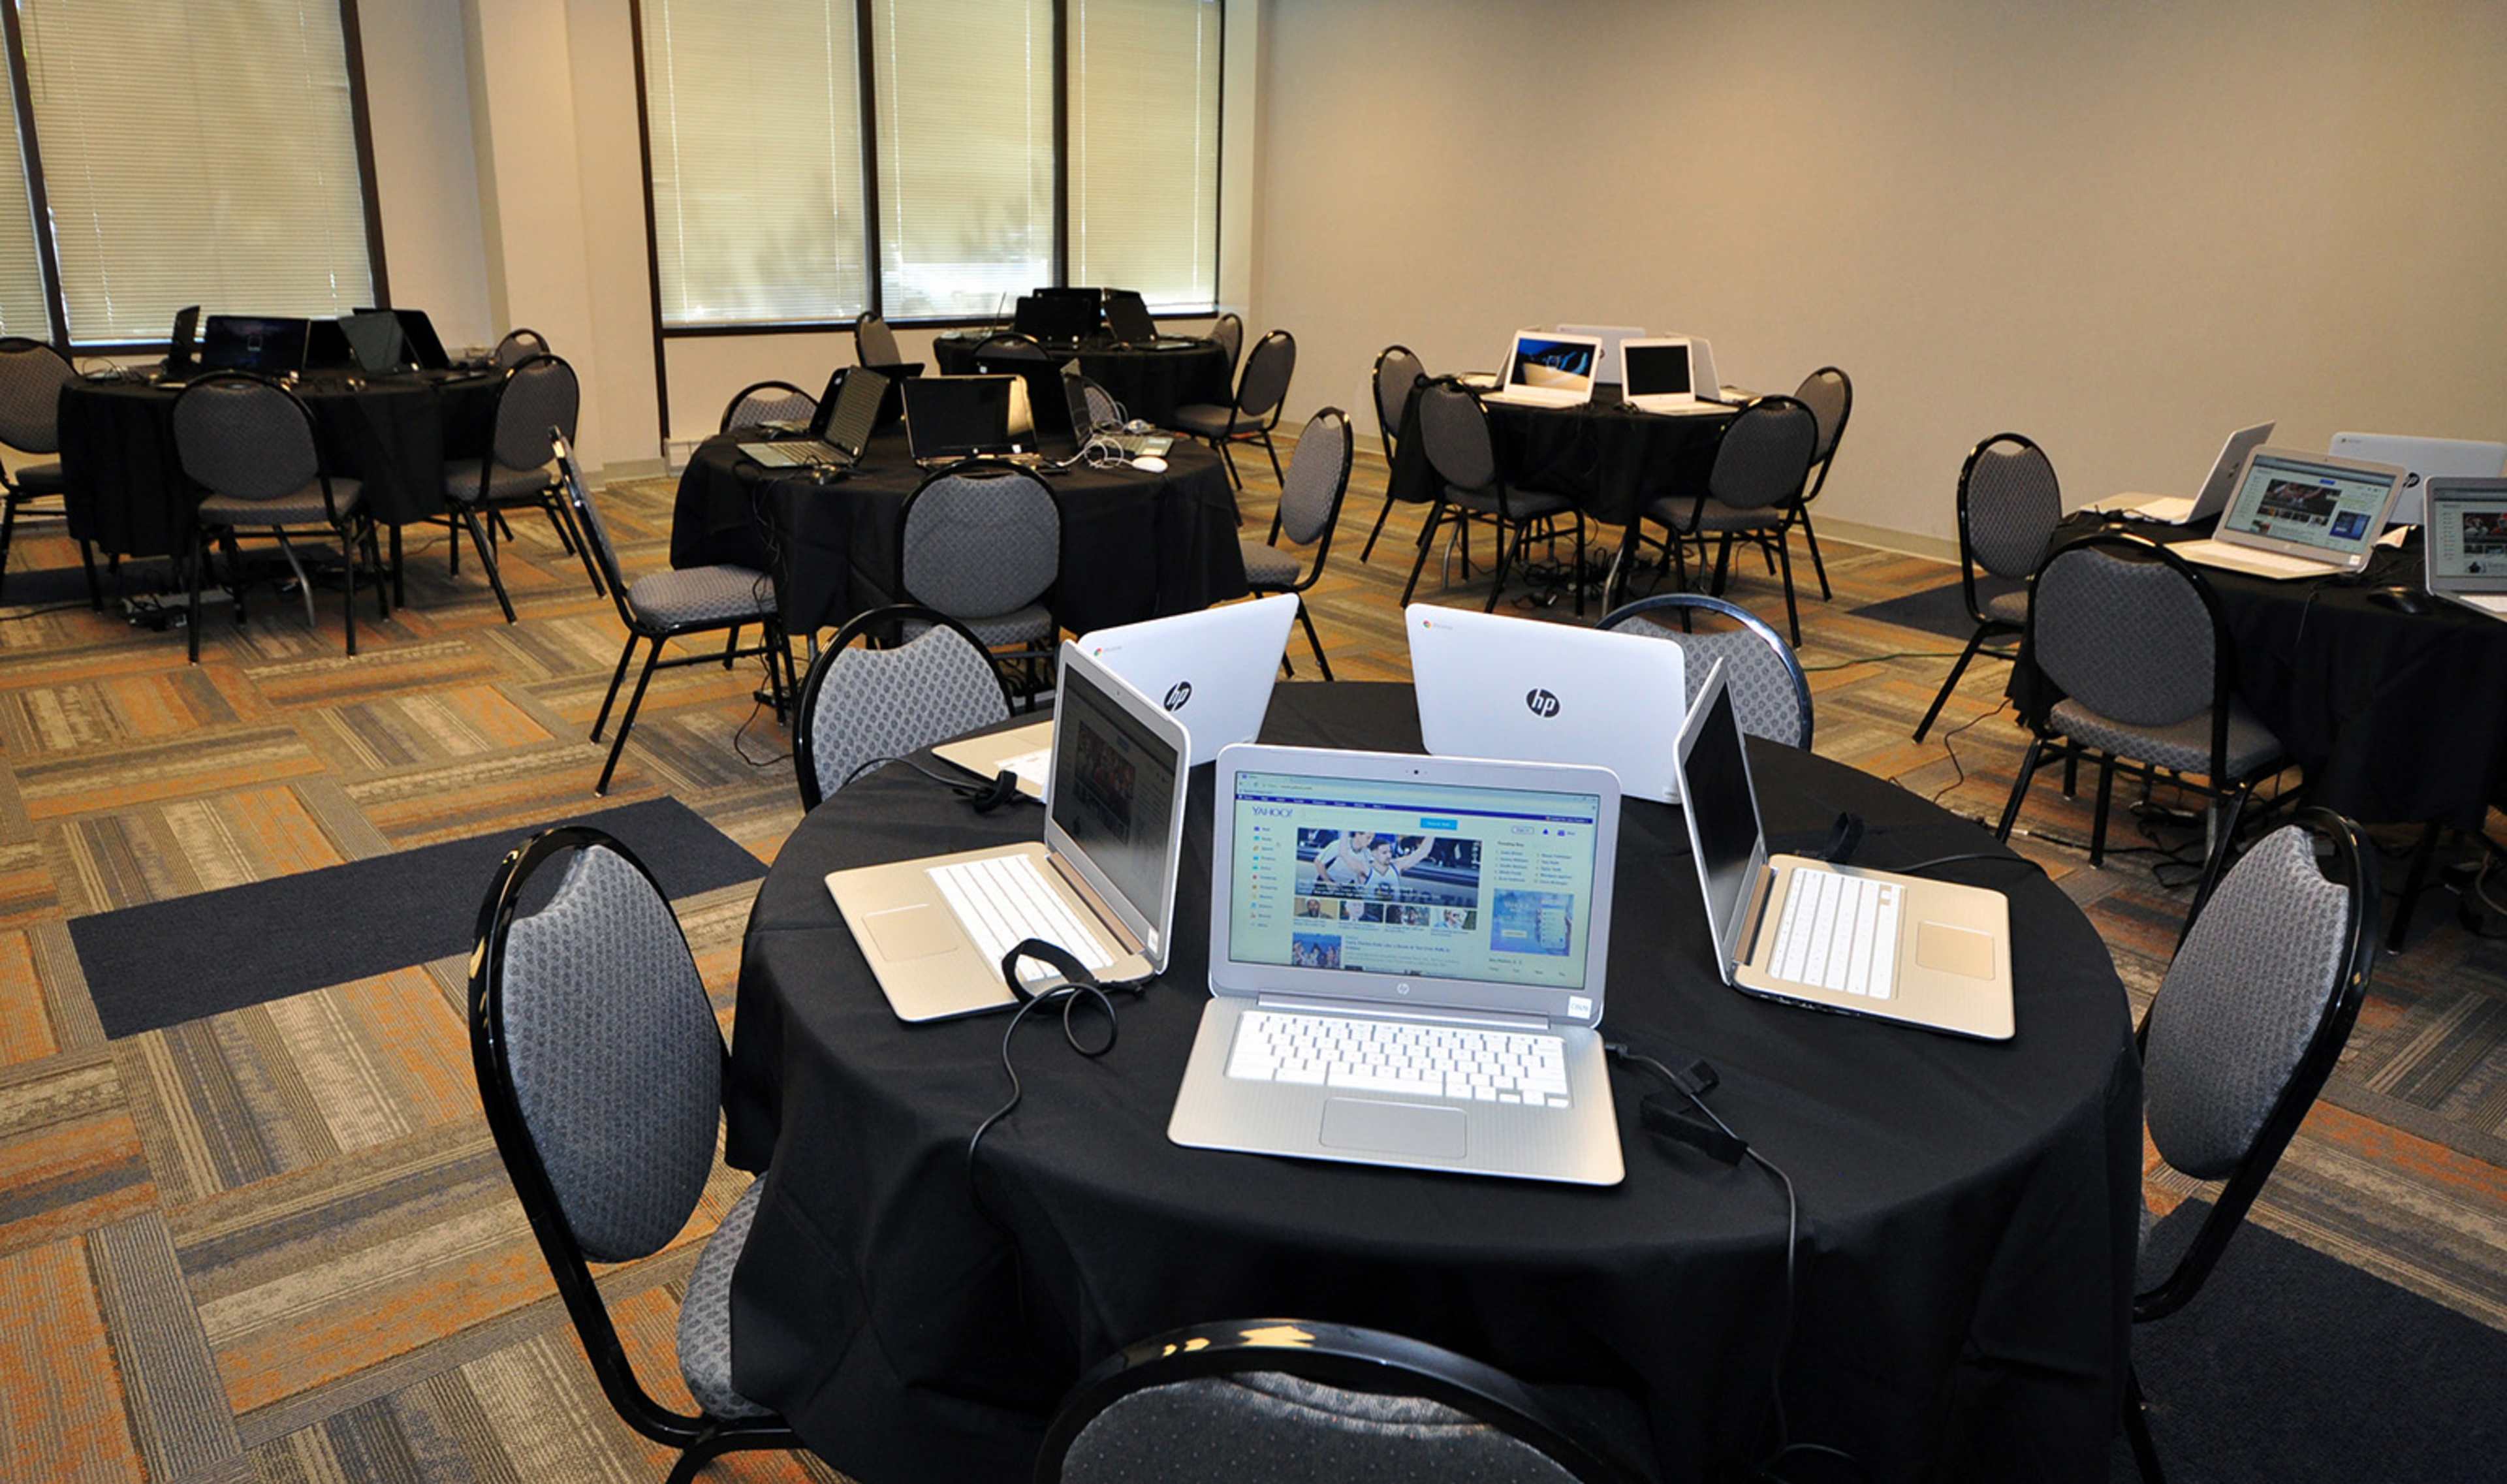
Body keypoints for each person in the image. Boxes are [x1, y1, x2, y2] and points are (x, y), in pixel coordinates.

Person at [1364, 836, 1439, 901]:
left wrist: (1432, 831)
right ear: (1373, 853)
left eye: (1390, 852)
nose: (1389, 856)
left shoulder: (1396, 866)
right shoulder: (1365, 869)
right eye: (1384, 853)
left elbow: (1423, 852)